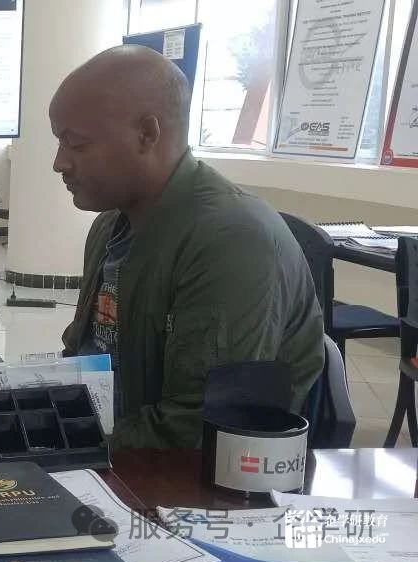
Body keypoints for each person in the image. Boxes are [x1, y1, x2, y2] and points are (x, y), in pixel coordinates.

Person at [53, 46, 324, 448]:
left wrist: (62, 441)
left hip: (181, 472)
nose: (59, 163)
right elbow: (82, 357)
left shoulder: (230, 242)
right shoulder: (110, 226)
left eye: (76, 145)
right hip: (114, 440)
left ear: (147, 134)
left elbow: (194, 429)